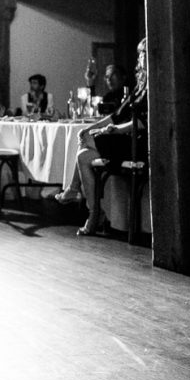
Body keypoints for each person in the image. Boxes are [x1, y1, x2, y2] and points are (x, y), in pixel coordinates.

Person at [55, 39, 148, 236]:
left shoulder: (155, 87)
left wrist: (115, 130)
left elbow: (144, 122)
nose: (140, 59)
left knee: (87, 141)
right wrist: (91, 127)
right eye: (140, 54)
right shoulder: (140, 87)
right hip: (125, 140)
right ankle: (95, 214)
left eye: (143, 54)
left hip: (139, 144)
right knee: (82, 156)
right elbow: (115, 116)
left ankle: (74, 189)